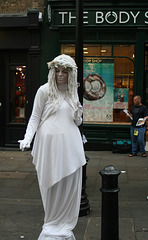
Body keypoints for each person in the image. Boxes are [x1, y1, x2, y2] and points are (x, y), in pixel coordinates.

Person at [18, 54, 86, 240]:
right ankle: (52, 221)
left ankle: (63, 223)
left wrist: (78, 113)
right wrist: (27, 138)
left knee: (69, 183)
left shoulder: (73, 91)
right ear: (52, 71)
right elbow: (34, 117)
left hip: (70, 145)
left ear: (71, 74)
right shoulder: (44, 90)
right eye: (57, 71)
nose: (61, 75)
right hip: (49, 146)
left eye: (65, 72)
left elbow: (77, 122)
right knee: (50, 182)